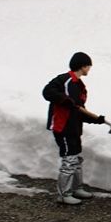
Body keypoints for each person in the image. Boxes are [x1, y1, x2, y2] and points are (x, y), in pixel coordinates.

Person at [42, 52, 106, 205]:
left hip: (75, 128)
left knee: (76, 158)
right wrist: (64, 100)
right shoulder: (64, 80)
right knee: (69, 160)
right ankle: (64, 194)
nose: (89, 69)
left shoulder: (80, 86)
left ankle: (76, 188)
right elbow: (47, 91)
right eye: (88, 66)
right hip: (62, 127)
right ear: (83, 65)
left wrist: (96, 120)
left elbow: (79, 110)